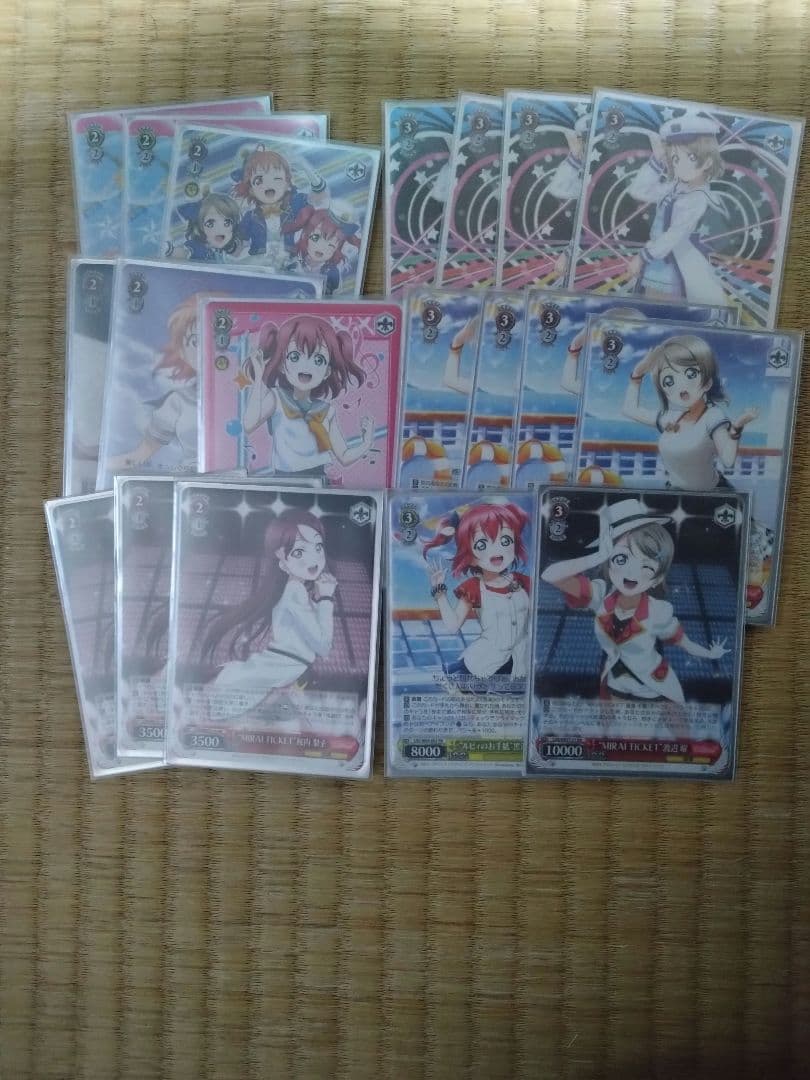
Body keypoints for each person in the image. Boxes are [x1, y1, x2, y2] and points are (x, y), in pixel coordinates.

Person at [541, 498, 727, 702]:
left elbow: (684, 643)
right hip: (616, 684)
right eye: (621, 559)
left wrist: (710, 654)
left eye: (647, 566)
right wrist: (597, 557)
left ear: (658, 578)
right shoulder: (600, 595)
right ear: (609, 561)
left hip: (656, 686)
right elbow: (549, 575)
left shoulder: (659, 611)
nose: (631, 574)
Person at [240, 314, 375, 478]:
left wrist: (366, 442)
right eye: (295, 357)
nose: (306, 365)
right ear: (282, 364)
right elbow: (249, 424)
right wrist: (259, 378)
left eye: (318, 360)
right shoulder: (276, 398)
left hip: (318, 480)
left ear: (327, 372)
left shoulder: (327, 410)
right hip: (284, 480)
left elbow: (344, 456)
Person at [621, 333, 758, 490]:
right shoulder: (672, 417)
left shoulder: (713, 416)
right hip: (675, 493)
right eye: (669, 381)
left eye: (690, 374)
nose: (681, 386)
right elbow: (629, 410)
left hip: (710, 497)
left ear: (707, 383)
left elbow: (728, 460)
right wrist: (637, 374)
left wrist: (737, 428)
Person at [625, 111, 728, 305]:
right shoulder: (676, 187)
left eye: (690, 157)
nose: (680, 166)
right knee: (650, 306)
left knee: (660, 307)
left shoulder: (697, 198)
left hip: (674, 262)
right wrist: (656, 160)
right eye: (675, 159)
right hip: (658, 258)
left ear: (707, 161)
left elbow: (674, 235)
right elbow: (638, 190)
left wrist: (643, 257)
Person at [423, 501, 531, 681]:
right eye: (482, 544)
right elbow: (453, 626)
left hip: (520, 663)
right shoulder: (473, 587)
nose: (496, 550)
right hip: (483, 663)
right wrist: (439, 592)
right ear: (470, 556)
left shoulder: (524, 582)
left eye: (505, 541)